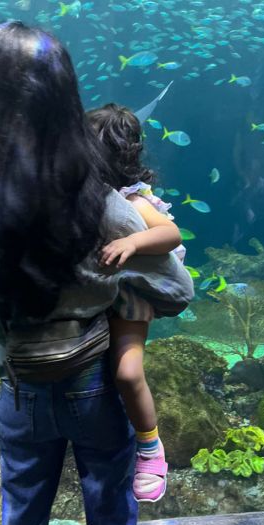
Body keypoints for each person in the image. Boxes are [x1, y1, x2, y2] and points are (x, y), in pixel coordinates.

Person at [0, 22, 194, 525]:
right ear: (63, 102)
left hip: (20, 390)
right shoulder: (100, 204)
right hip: (93, 385)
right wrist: (128, 295)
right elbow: (177, 287)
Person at [87, 103, 186, 503]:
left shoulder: (135, 198)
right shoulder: (75, 195)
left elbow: (171, 235)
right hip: (95, 292)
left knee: (127, 373)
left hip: (131, 295)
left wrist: (131, 240)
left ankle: (150, 448)